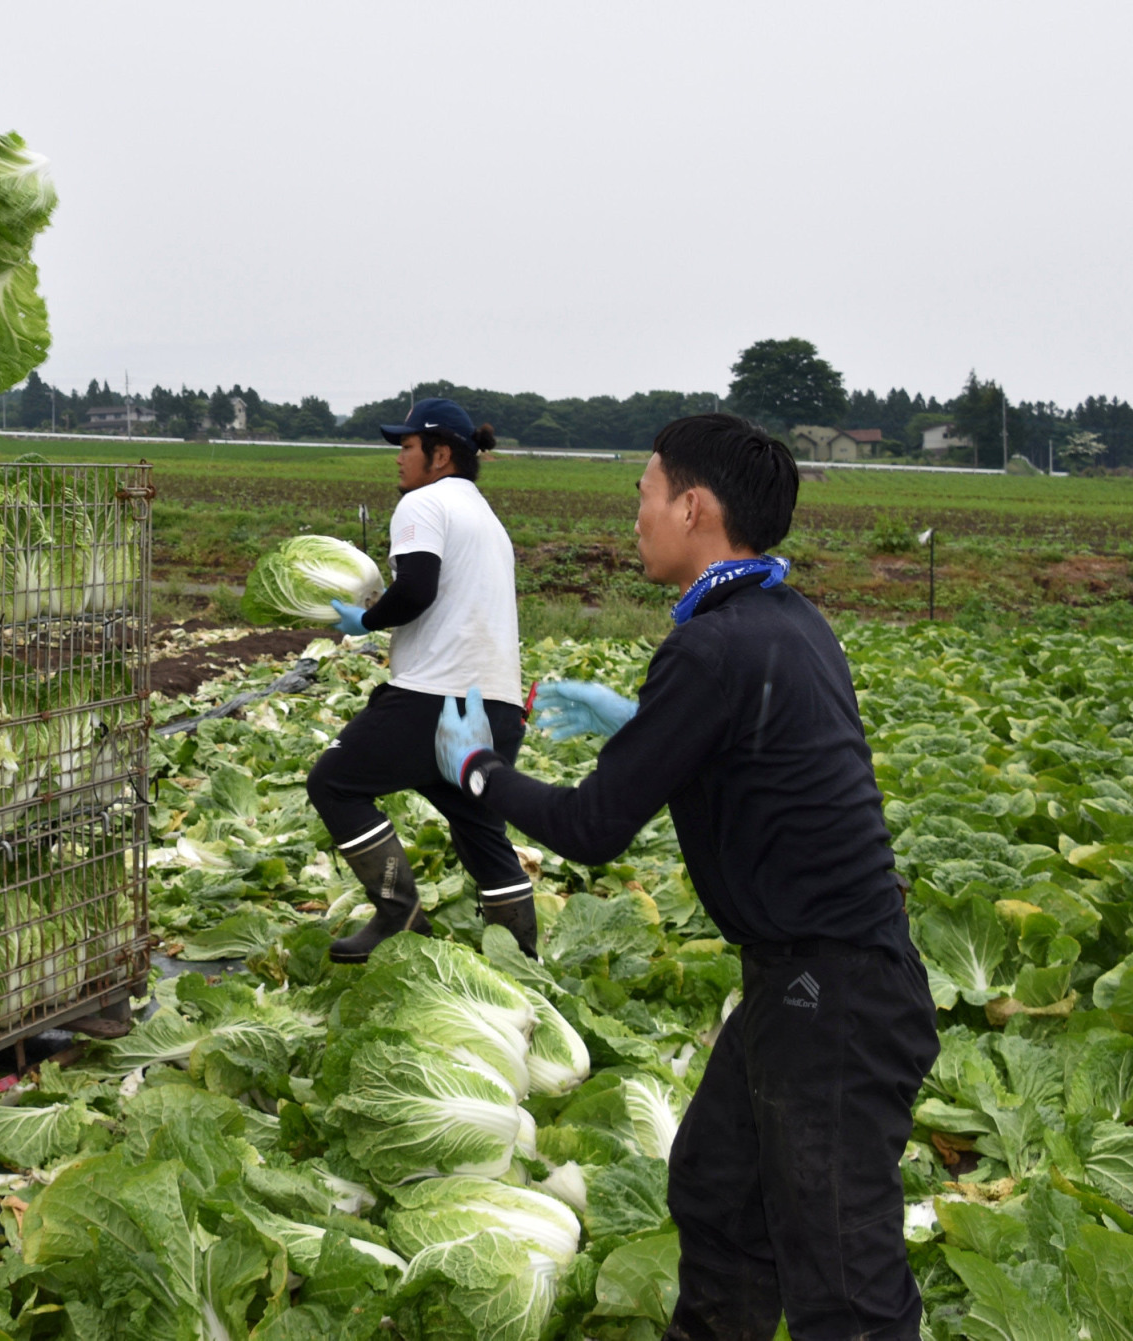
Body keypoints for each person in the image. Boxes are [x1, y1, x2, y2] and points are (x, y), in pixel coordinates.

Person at [435, 414, 940, 1340]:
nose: (638, 515)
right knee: (717, 1187)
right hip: (814, 979)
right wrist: (634, 718)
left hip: (835, 994)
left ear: (693, 505)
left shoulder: (714, 645)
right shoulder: (785, 619)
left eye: (646, 494)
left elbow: (592, 829)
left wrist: (479, 772)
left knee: (842, 1274)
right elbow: (758, 744)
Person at [305, 397, 538, 964]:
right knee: (479, 825)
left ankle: (398, 915)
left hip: (435, 697)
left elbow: (416, 589)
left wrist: (367, 620)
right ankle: (522, 958)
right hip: (498, 703)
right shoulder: (485, 515)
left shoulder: (425, 503)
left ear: (440, 453)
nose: (399, 459)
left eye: (407, 447)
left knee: (334, 783)